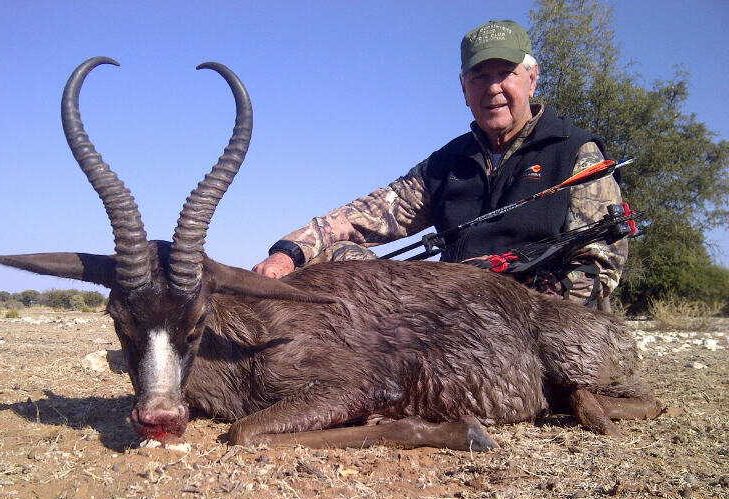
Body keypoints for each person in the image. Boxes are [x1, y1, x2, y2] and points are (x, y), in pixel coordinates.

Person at [253, 19, 627, 306]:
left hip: (538, 317)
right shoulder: (446, 163)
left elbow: (602, 263)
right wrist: (288, 253)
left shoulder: (576, 152)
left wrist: (529, 307)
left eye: (505, 74)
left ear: (531, 79)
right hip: (453, 306)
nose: (493, 88)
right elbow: (358, 218)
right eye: (480, 77)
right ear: (464, 89)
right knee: (336, 256)